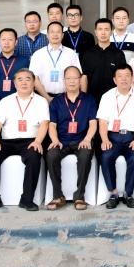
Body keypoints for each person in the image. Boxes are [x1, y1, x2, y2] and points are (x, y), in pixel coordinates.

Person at [0, 69, 50, 212]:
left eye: (28, 79)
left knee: (34, 156)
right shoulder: (6, 101)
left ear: (34, 83)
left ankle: (27, 199)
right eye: (20, 79)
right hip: (7, 141)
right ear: (14, 83)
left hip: (30, 140)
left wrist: (38, 141)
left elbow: (44, 124)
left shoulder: (41, 101)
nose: (24, 82)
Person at [45, 66, 98, 210]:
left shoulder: (89, 100)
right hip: (62, 141)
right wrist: (55, 140)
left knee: (85, 155)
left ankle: (79, 196)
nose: (72, 81)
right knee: (51, 155)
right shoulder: (56, 101)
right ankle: (58, 196)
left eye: (75, 78)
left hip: (82, 139)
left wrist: (87, 139)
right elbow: (52, 125)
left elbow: (93, 123)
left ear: (80, 80)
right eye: (68, 78)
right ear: (64, 81)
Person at [97, 65, 134, 208]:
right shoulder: (107, 96)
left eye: (127, 75)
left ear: (132, 78)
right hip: (112, 137)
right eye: (120, 76)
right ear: (114, 80)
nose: (124, 79)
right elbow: (102, 122)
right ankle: (113, 193)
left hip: (132, 137)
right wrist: (104, 139)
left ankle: (128, 193)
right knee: (106, 156)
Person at [30, 22, 82, 100]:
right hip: (42, 97)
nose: (55, 34)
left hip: (66, 98)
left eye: (58, 32)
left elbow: (78, 76)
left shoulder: (71, 54)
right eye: (52, 32)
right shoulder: (38, 54)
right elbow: (34, 78)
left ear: (62, 35)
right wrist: (47, 97)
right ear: (47, 35)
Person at [80, 18, 129, 102]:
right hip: (92, 99)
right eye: (100, 29)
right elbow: (84, 77)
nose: (103, 33)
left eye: (106, 29)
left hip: (113, 99)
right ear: (95, 32)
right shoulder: (88, 54)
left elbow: (122, 76)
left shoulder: (118, 54)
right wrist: (83, 99)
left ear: (111, 32)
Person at [0, 29, 30, 106]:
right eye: (3, 39)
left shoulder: (25, 61)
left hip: (19, 104)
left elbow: (30, 84)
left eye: (10, 39)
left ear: (16, 42)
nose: (6, 42)